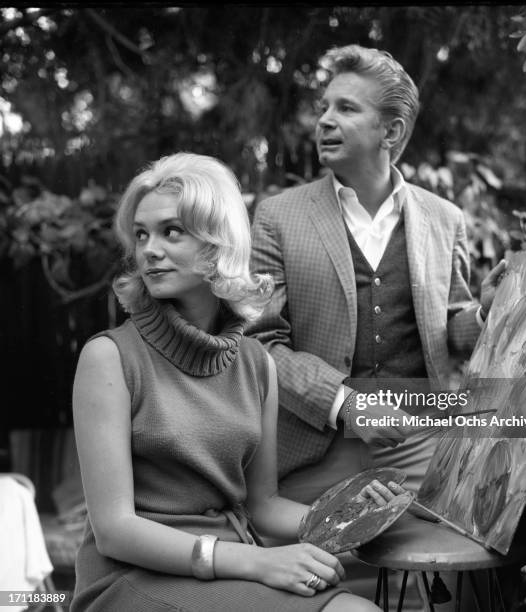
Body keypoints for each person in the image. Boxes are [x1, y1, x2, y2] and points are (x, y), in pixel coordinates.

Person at [70, 152, 394, 612]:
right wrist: (257, 563)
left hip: (233, 565)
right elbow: (114, 529)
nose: (149, 250)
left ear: (216, 244)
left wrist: (352, 517)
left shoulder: (256, 363)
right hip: (134, 578)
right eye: (141, 234)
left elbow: (263, 505)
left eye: (172, 231)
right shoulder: (109, 358)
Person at [248, 45, 506, 506]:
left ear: (392, 130)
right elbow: (261, 344)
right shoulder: (277, 217)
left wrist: (484, 313)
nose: (324, 120)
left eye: (346, 108)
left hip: (420, 447)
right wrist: (347, 404)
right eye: (324, 107)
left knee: (446, 571)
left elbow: (449, 331)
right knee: (308, 574)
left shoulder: (445, 219)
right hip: (310, 453)